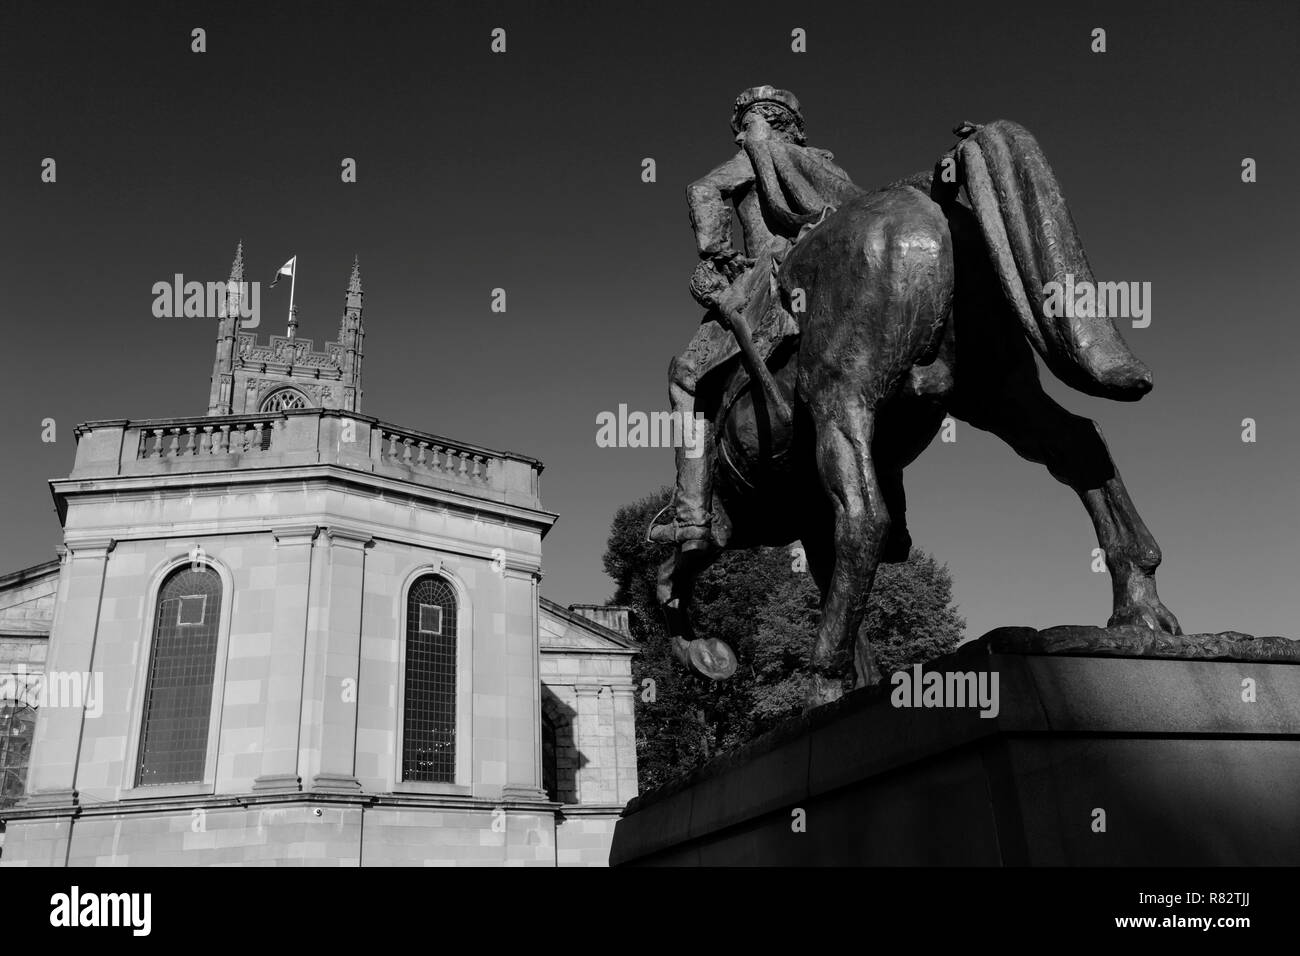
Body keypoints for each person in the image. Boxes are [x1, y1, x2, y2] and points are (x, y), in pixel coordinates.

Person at [650, 85, 862, 550]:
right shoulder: (826, 165)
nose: (741, 137)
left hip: (766, 275)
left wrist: (719, 254)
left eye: (743, 127)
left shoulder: (759, 154)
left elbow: (702, 190)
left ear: (758, 123)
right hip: (828, 271)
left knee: (685, 377)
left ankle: (692, 516)